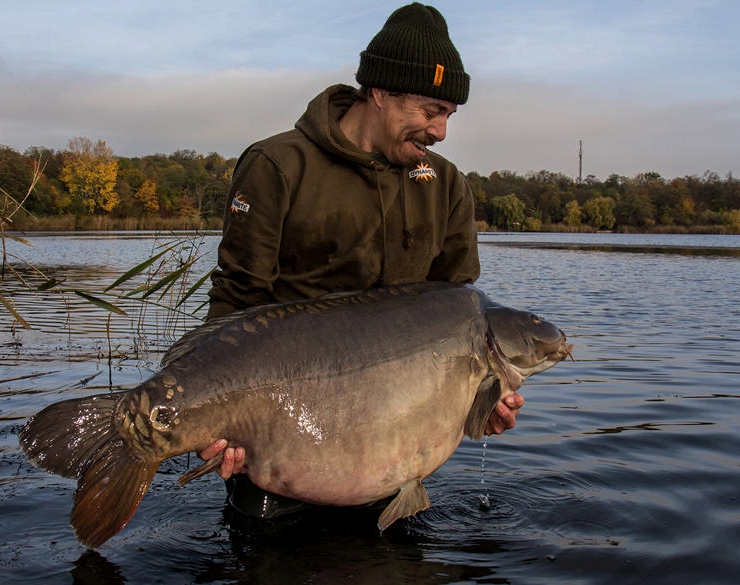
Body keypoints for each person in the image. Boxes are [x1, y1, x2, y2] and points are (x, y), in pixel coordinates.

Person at [199, 2, 524, 520]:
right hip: (282, 447)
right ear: (379, 93)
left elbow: (457, 320)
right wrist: (214, 416)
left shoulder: (445, 186)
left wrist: (478, 404)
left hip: (391, 458)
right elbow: (236, 299)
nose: (440, 132)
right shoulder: (278, 166)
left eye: (448, 115)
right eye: (429, 111)